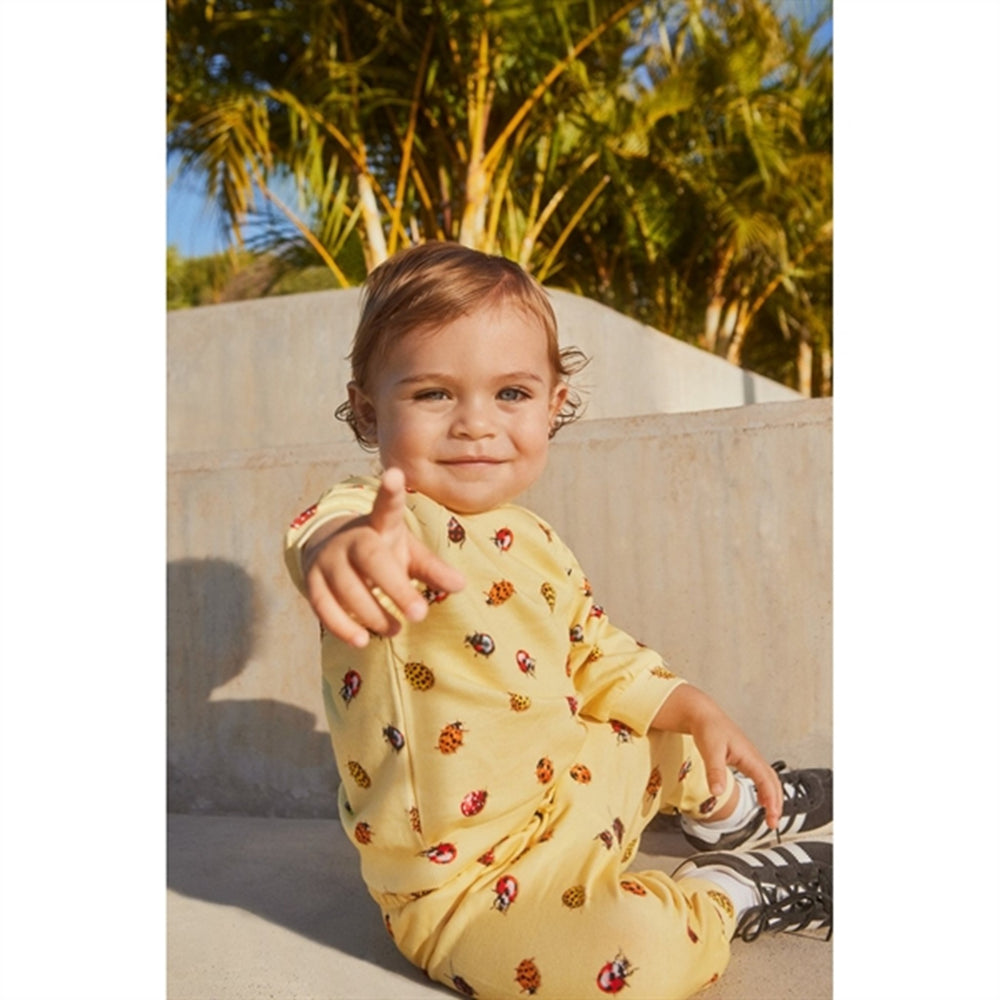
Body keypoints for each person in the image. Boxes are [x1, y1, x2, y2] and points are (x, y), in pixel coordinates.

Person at [283, 241, 832, 999]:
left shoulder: (537, 540)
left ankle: (728, 805)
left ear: (554, 403)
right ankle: (729, 891)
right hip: (467, 890)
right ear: (372, 411)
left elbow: (595, 650)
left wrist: (691, 703)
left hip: (563, 792)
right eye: (434, 394)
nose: (476, 424)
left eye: (510, 393)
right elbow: (321, 532)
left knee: (653, 717)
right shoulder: (384, 519)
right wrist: (341, 551)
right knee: (633, 961)